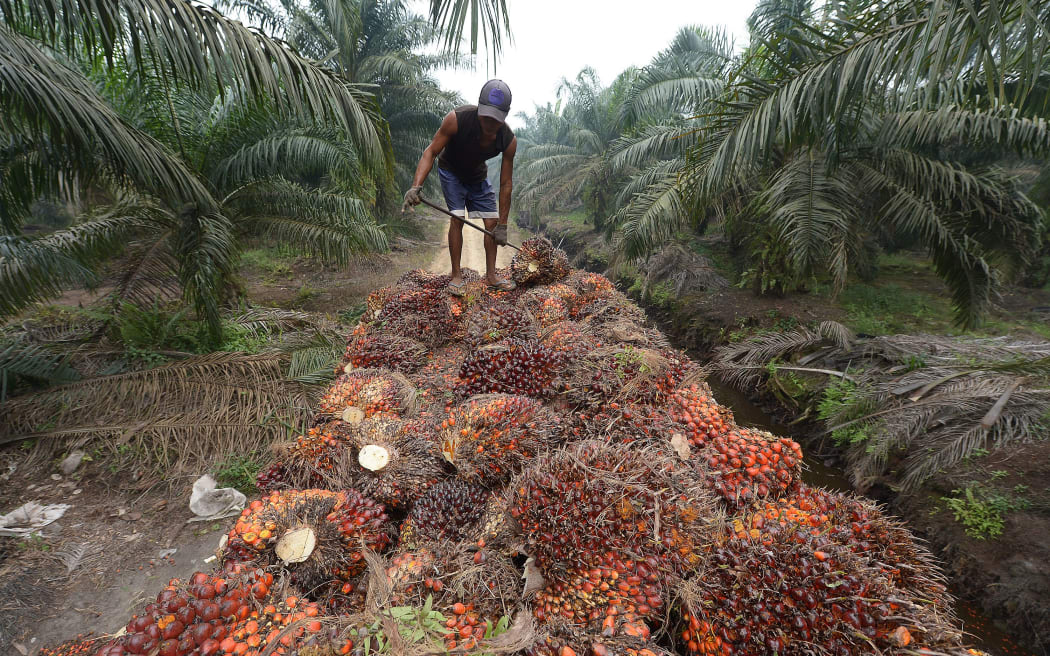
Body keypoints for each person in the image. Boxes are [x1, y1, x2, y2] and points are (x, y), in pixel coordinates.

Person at [402, 79, 518, 295]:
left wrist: (503, 225)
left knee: (491, 222)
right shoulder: (457, 119)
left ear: (505, 116)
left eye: (495, 119)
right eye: (486, 116)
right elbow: (430, 152)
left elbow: (506, 183)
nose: (489, 123)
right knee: (457, 217)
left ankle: (491, 275)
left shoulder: (508, 140)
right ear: (479, 107)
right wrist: (415, 186)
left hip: (477, 176)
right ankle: (456, 275)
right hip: (451, 172)